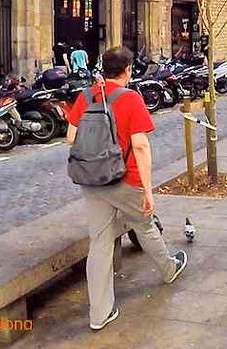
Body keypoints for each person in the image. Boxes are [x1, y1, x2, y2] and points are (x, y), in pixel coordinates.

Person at [65, 47, 188, 331]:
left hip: (93, 180)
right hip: (126, 178)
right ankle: (168, 269)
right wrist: (148, 190)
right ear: (128, 69)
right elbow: (141, 146)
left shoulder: (85, 96)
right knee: (144, 226)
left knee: (100, 242)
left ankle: (99, 314)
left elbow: (71, 137)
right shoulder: (131, 98)